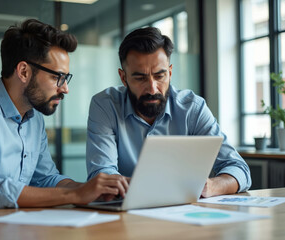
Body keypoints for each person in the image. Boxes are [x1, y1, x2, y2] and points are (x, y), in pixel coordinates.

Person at [0, 19, 128, 216]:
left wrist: (92, 189)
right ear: (24, 71)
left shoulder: (34, 119)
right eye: (58, 77)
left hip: (3, 227)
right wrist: (75, 195)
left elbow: (45, 178)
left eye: (66, 78)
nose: (65, 89)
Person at [86, 27, 251, 197]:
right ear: (123, 78)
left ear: (170, 73)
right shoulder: (105, 106)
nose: (152, 88)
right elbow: (101, 176)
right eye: (140, 78)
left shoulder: (193, 108)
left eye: (160, 76)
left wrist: (213, 186)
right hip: (125, 214)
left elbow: (239, 169)